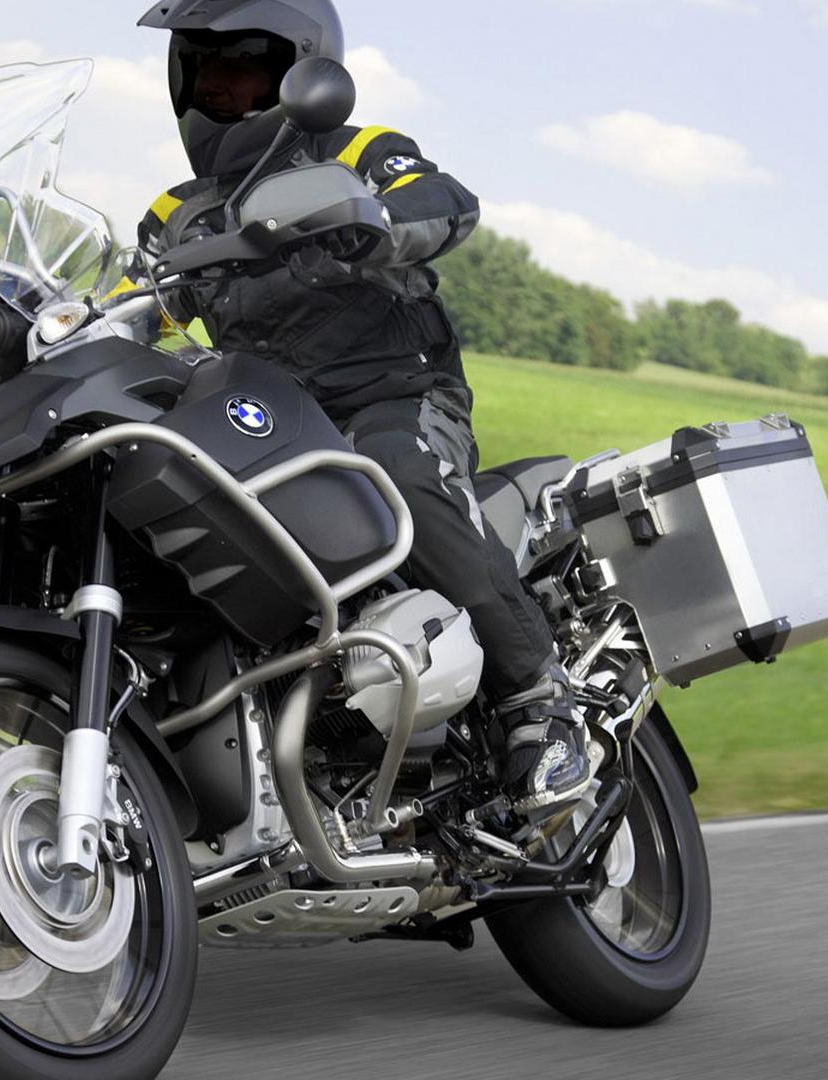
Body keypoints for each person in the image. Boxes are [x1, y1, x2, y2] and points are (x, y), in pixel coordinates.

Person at [135, 0, 588, 816]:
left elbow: (443, 200)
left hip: (395, 398)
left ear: (299, 71)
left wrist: (374, 220)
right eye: (199, 69)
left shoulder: (356, 151)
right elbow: (137, 306)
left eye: (238, 66)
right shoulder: (176, 214)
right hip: (268, 428)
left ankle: (538, 700)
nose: (215, 87)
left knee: (397, 473)